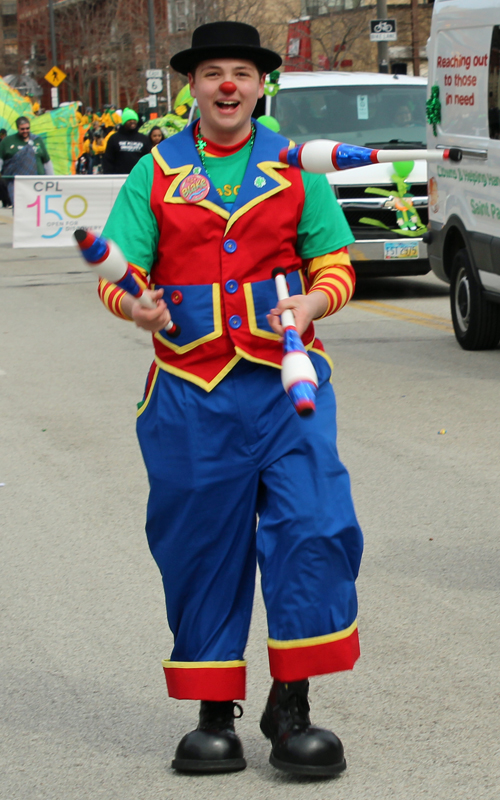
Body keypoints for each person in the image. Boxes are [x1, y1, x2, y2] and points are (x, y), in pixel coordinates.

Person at [98, 21, 363, 778]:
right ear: (193, 86)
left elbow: (333, 259)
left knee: (313, 530)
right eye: (213, 72)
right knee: (202, 546)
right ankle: (215, 712)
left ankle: (293, 704)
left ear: (258, 87)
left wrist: (312, 305)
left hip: (287, 388)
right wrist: (136, 305)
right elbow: (118, 273)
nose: (227, 86)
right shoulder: (155, 171)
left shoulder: (295, 165)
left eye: (240, 74)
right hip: (189, 393)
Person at [0, 116, 53, 203]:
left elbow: (47, 162)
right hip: (16, 185)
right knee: (21, 210)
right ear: (17, 128)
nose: (25, 131)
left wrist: (51, 181)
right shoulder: (6, 142)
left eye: (27, 128)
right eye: (22, 129)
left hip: (38, 185)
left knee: (37, 211)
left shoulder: (37, 140)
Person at [102, 107, 150, 174]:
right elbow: (108, 159)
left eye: (134, 119)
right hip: (119, 177)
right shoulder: (114, 138)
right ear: (124, 122)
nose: (132, 121)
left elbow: (148, 159)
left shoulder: (144, 139)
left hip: (138, 176)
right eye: (129, 120)